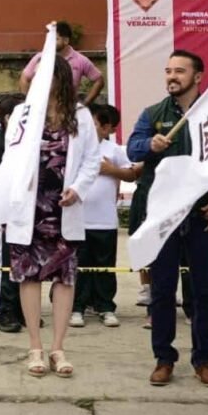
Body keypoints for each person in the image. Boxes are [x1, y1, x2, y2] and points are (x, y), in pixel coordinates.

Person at [127, 50, 208, 387]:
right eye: (168, 71)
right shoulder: (153, 114)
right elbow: (133, 149)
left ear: (199, 76)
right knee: (162, 292)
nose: (171, 76)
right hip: (164, 218)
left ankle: (203, 360)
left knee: (204, 293)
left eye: (179, 71)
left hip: (201, 216)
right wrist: (151, 144)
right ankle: (164, 359)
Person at [11, 56, 100, 379]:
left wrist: (78, 188)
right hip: (29, 208)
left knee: (64, 278)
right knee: (29, 275)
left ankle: (58, 347)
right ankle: (34, 346)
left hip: (64, 207)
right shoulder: (22, 114)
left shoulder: (81, 116)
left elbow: (92, 159)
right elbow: (12, 155)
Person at [71, 105, 139, 329]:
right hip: (78, 219)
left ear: (108, 127)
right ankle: (77, 307)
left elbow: (131, 174)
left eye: (96, 123)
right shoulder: (76, 148)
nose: (90, 127)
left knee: (105, 266)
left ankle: (105, 307)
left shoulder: (114, 150)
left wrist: (112, 170)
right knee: (79, 265)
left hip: (105, 220)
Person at [0, 96, 27, 333]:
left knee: (22, 259)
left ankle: (20, 308)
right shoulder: (1, 143)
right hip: (4, 210)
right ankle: (2, 310)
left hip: (23, 211)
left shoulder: (24, 144)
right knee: (4, 260)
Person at [19, 21, 104, 106]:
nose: (50, 42)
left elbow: (99, 80)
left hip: (68, 110)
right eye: (49, 39)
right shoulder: (40, 58)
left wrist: (85, 103)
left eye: (55, 39)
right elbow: (24, 78)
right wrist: (28, 103)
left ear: (66, 40)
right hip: (42, 110)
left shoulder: (80, 60)